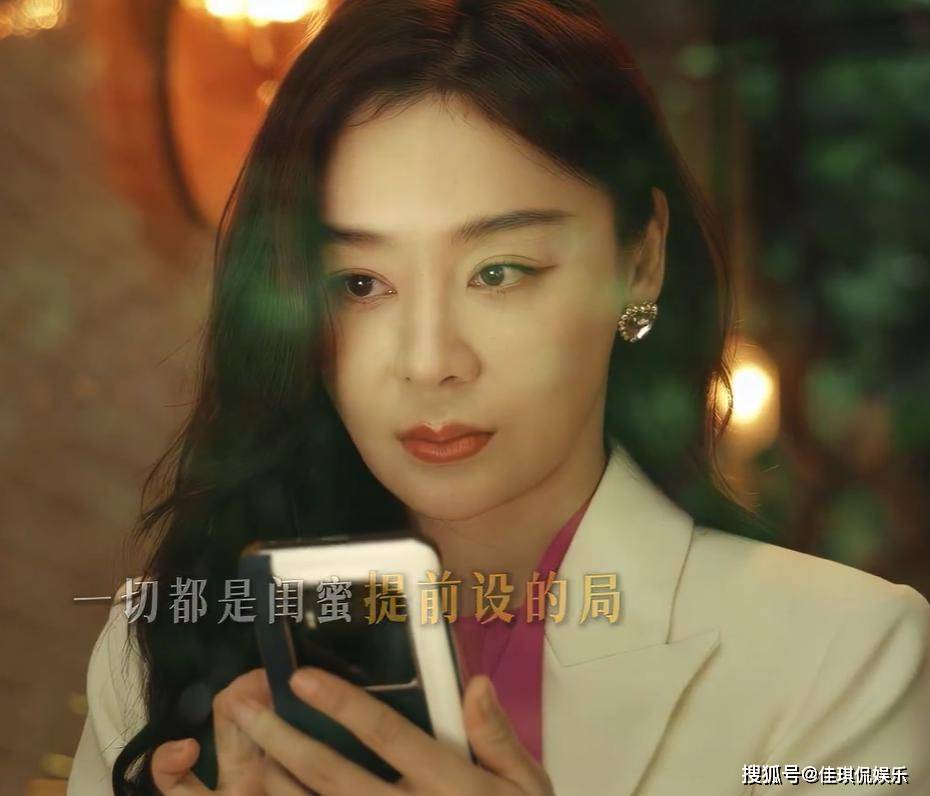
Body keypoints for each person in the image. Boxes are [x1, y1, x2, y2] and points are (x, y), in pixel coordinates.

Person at [67, 0, 930, 793]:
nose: (429, 362)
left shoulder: (842, 656)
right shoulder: (160, 649)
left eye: (499, 272)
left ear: (641, 260)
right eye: (359, 283)